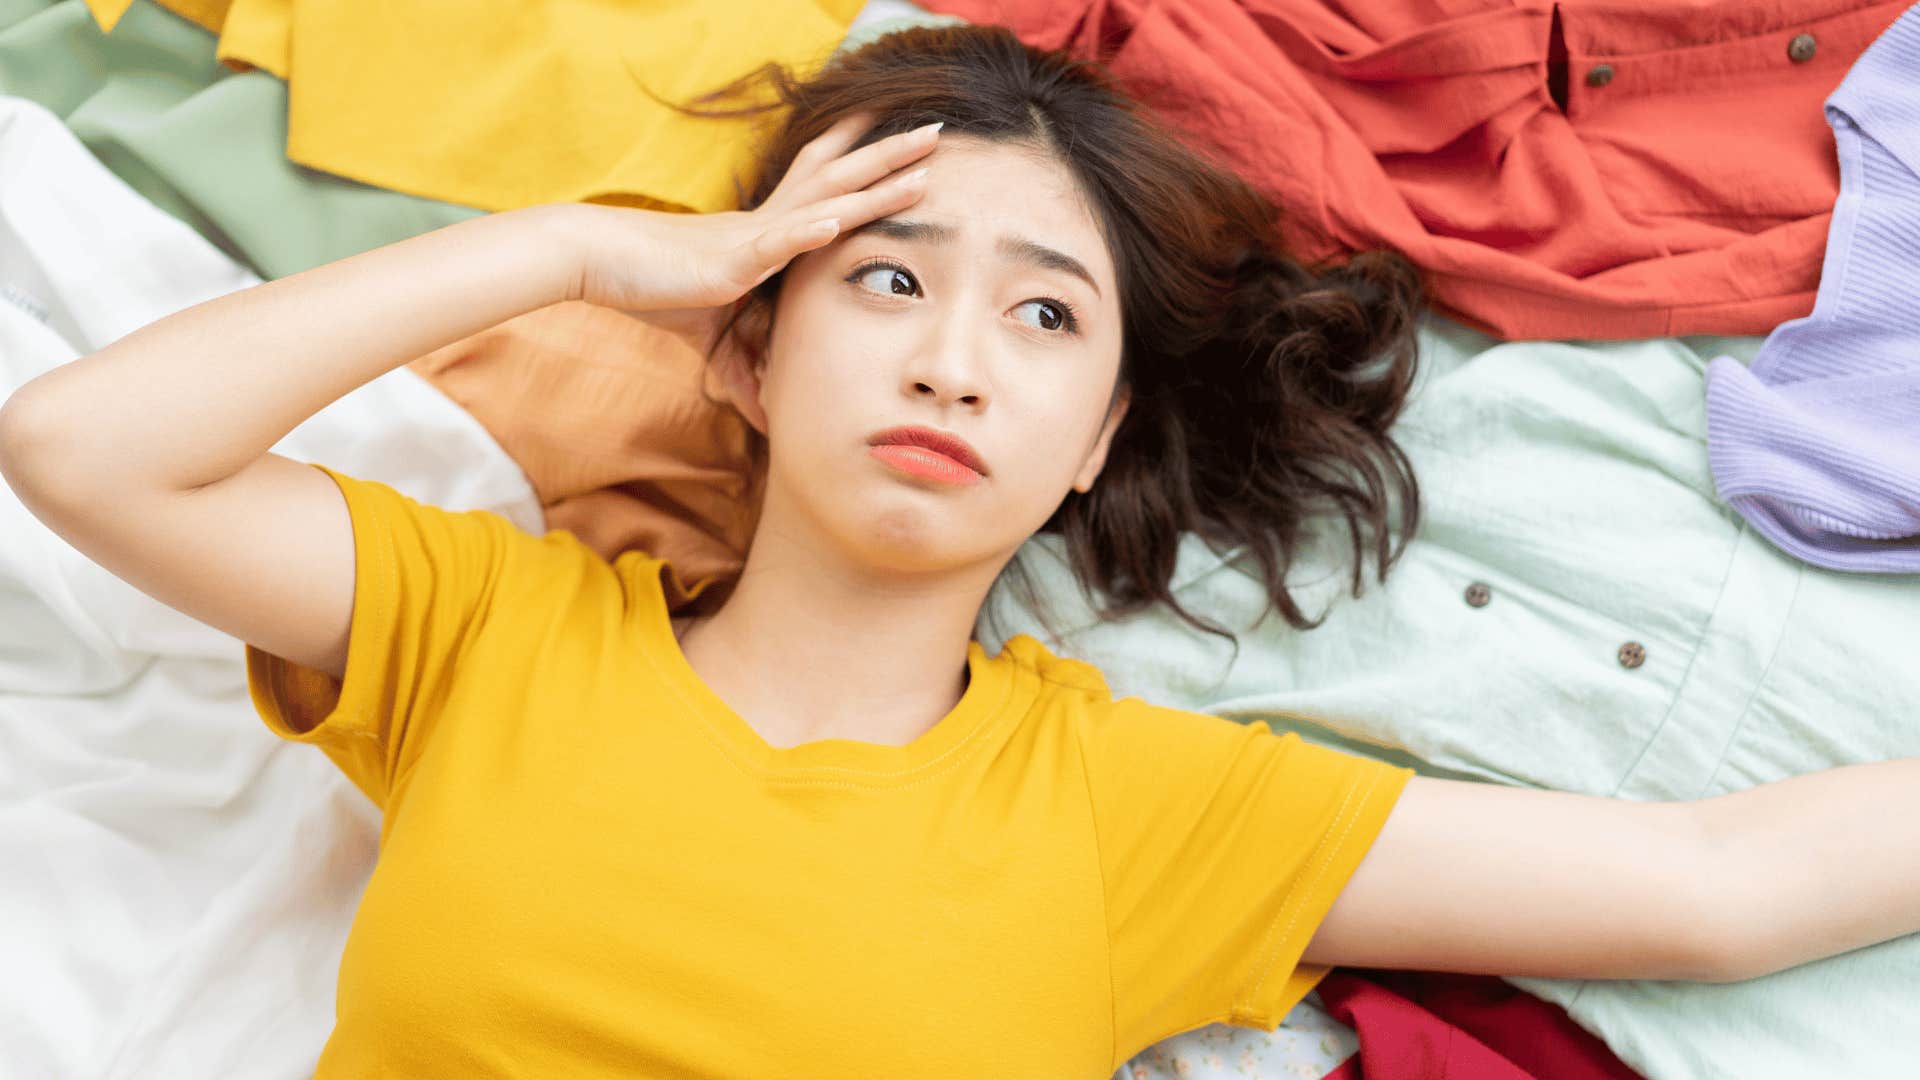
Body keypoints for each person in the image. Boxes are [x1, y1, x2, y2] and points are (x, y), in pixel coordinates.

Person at [1, 23, 1915, 1079]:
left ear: (1092, 447)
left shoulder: (1128, 808)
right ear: (749, 346)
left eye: (1044, 317)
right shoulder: (492, 629)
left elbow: (1711, 887)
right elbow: (85, 451)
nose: (948, 356)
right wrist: (583, 252)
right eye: (891, 280)